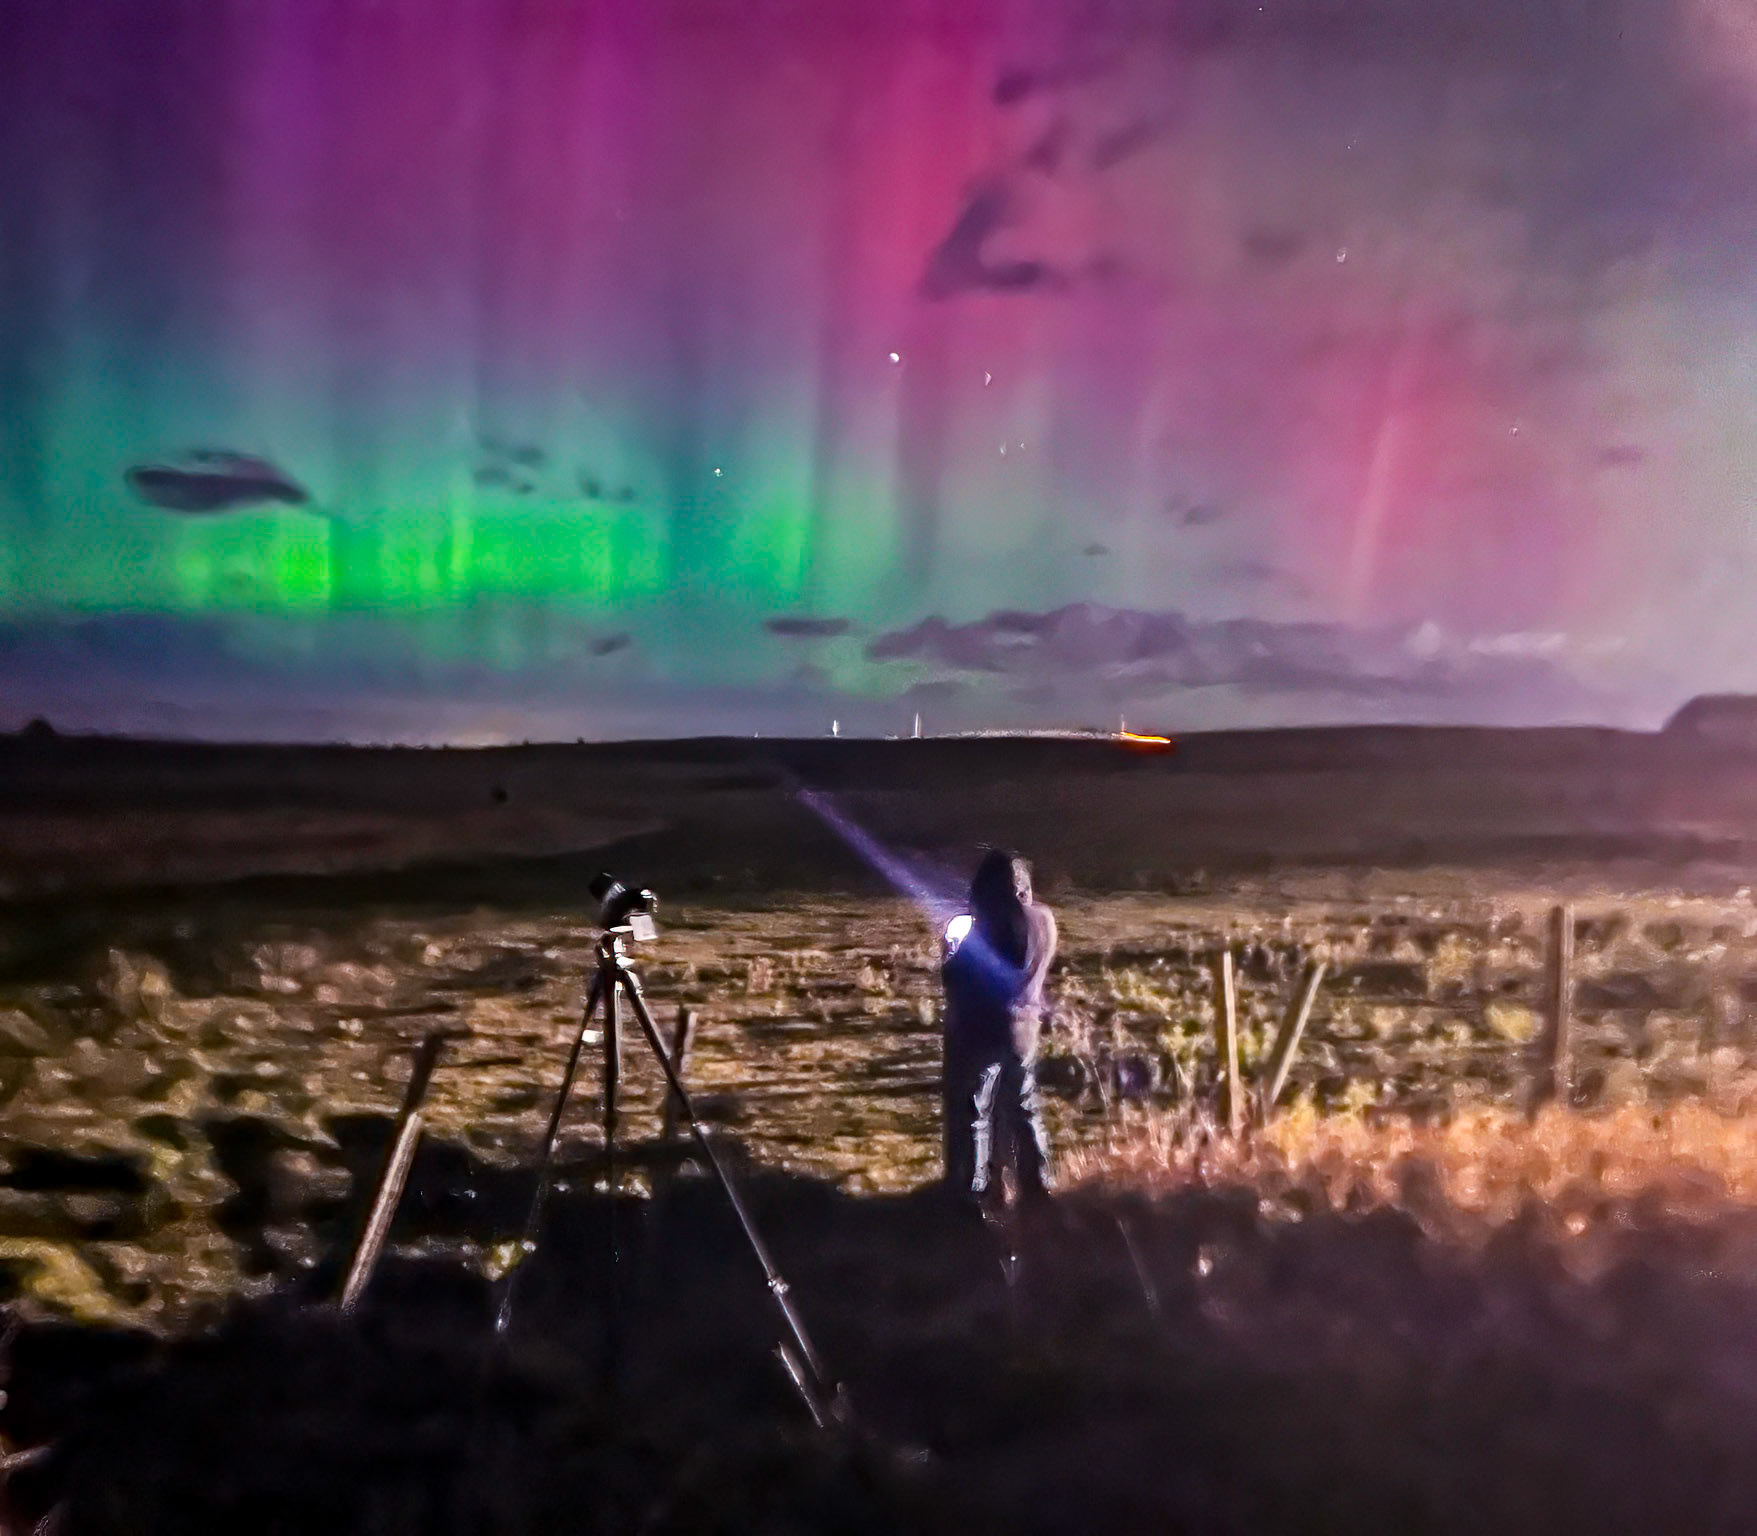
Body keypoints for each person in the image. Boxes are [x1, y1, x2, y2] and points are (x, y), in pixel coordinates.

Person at [941, 848, 1057, 1206]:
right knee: (1023, 1108)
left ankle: (975, 1192)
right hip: (1024, 1030)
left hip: (986, 1029)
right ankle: (1037, 1187)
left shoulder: (995, 924)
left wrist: (952, 949)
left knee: (976, 1111)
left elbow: (955, 975)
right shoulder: (1044, 920)